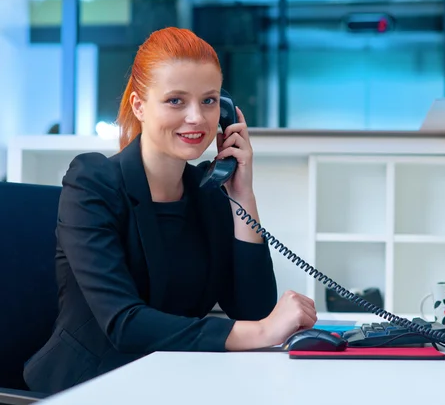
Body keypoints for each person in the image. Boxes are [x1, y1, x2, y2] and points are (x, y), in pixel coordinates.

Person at [23, 27, 318, 394]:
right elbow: (125, 323)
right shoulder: (93, 183)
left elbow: (254, 310)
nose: (196, 117)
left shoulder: (208, 193)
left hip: (174, 382)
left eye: (209, 101)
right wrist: (261, 332)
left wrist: (243, 196)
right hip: (89, 387)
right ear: (139, 106)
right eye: (176, 101)